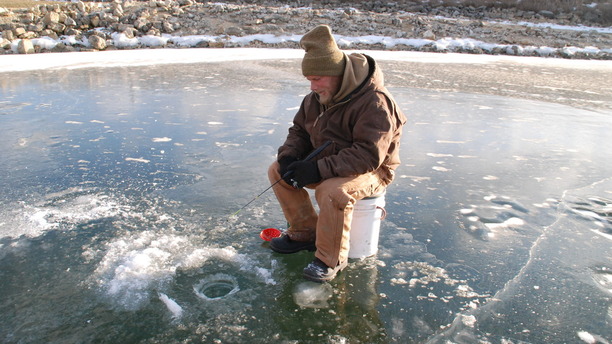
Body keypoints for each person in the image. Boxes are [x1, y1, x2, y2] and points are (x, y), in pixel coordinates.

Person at [268, 25, 407, 283]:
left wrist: (316, 170)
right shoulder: (316, 97)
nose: (312, 85)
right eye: (309, 79)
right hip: (332, 161)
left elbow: (368, 155)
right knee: (277, 170)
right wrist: (289, 156)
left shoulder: (374, 101)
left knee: (332, 190)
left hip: (374, 170)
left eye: (317, 78)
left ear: (336, 73)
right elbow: (299, 130)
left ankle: (330, 259)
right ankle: (305, 233)